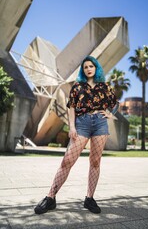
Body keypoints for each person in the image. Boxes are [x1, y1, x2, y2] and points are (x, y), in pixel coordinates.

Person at [34, 55, 118, 215]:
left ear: (96, 68)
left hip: (100, 124)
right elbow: (71, 107)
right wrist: (72, 126)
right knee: (67, 161)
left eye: (91, 66)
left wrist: (108, 114)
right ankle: (50, 198)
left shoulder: (105, 87)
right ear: (83, 70)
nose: (88, 69)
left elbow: (116, 103)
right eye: (85, 67)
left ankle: (89, 198)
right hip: (82, 123)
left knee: (95, 161)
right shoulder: (77, 87)